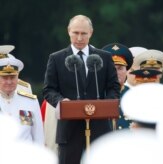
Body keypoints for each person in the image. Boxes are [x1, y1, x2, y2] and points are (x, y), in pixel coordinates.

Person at [43, 14, 120, 164]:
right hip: (69, 129)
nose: (79, 38)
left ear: (91, 33)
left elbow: (113, 87)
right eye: (75, 33)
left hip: (100, 127)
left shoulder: (104, 57)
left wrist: (107, 104)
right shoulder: (56, 58)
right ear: (68, 31)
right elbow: (49, 90)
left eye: (83, 33)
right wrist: (61, 102)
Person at [0, 57, 44, 144]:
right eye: (5, 78)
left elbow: (38, 136)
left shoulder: (30, 101)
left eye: (12, 77)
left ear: (18, 77)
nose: (9, 82)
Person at [102, 43, 133, 129]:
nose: (115, 73)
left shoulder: (135, 96)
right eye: (112, 68)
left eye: (120, 68)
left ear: (127, 71)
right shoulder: (96, 95)